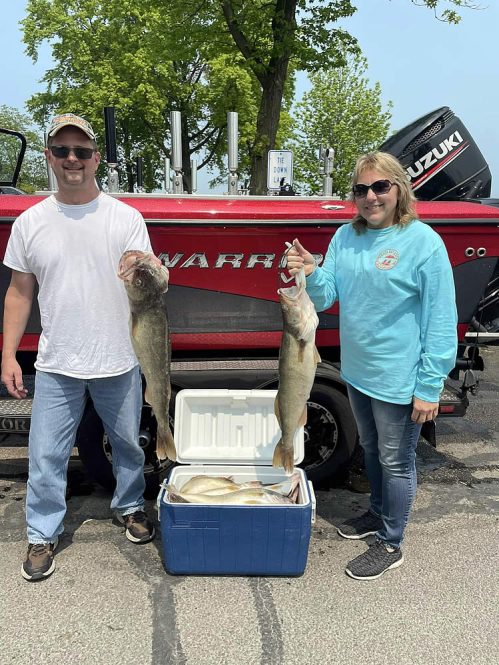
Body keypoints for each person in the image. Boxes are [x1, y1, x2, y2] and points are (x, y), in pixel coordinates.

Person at [1, 113, 159, 582]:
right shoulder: (30, 222)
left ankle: (130, 507)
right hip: (57, 361)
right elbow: (18, 293)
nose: (73, 160)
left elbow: (149, 284)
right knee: (45, 452)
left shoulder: (126, 218)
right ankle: (41, 533)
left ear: (95, 160)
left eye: (83, 152)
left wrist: (147, 267)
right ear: (49, 156)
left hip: (120, 357)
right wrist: (8, 353)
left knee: (129, 444)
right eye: (63, 151)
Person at [286, 151, 457, 581]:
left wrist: (430, 385)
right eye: (361, 189)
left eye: (381, 186)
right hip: (358, 373)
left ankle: (391, 541)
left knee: (397, 460)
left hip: (401, 379)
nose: (370, 197)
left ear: (400, 189)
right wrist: (312, 271)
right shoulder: (346, 237)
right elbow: (326, 297)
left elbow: (441, 319)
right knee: (370, 451)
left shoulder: (423, 243)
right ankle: (377, 513)